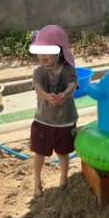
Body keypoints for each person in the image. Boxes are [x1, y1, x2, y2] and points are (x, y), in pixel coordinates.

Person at [29, 25, 78, 198]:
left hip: (65, 121)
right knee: (39, 153)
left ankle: (63, 179)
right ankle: (37, 181)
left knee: (63, 153)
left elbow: (72, 84)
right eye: (40, 52)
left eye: (48, 52)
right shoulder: (39, 72)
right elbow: (38, 88)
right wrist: (47, 96)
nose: (43, 56)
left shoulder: (68, 70)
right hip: (43, 120)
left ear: (60, 52)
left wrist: (65, 93)